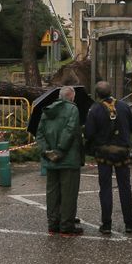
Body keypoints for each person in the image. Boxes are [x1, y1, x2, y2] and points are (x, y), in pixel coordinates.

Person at [83, 81, 132, 234]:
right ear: (111, 91)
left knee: (105, 188)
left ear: (97, 94)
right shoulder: (124, 106)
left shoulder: (94, 109)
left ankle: (106, 224)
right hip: (122, 153)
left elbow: (88, 134)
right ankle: (129, 223)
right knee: (125, 187)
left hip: (104, 155)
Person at [36, 86, 84, 236]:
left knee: (52, 193)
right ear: (72, 97)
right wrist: (60, 151)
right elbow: (70, 130)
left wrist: (47, 152)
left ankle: (53, 224)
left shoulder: (46, 111)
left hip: (50, 160)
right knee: (69, 193)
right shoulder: (73, 109)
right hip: (69, 159)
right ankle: (66, 227)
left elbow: (39, 134)